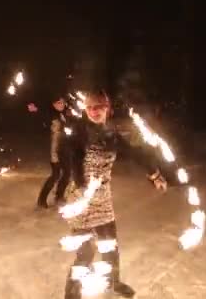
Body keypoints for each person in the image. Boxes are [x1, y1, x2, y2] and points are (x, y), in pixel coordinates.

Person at [63, 90, 172, 299]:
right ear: (85, 109)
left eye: (99, 106)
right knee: (85, 252)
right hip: (81, 197)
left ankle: (114, 282)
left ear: (107, 107)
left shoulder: (111, 135)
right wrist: (83, 188)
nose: (94, 111)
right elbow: (74, 161)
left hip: (103, 198)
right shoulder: (80, 132)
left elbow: (135, 154)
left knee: (110, 246)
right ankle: (71, 295)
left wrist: (154, 174)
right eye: (90, 107)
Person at [28, 95, 72, 208]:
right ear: (53, 104)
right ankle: (41, 199)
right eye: (58, 103)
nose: (61, 105)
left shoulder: (64, 114)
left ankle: (59, 196)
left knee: (67, 173)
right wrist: (35, 110)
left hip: (65, 149)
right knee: (55, 175)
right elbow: (42, 115)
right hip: (55, 150)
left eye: (62, 103)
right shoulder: (51, 115)